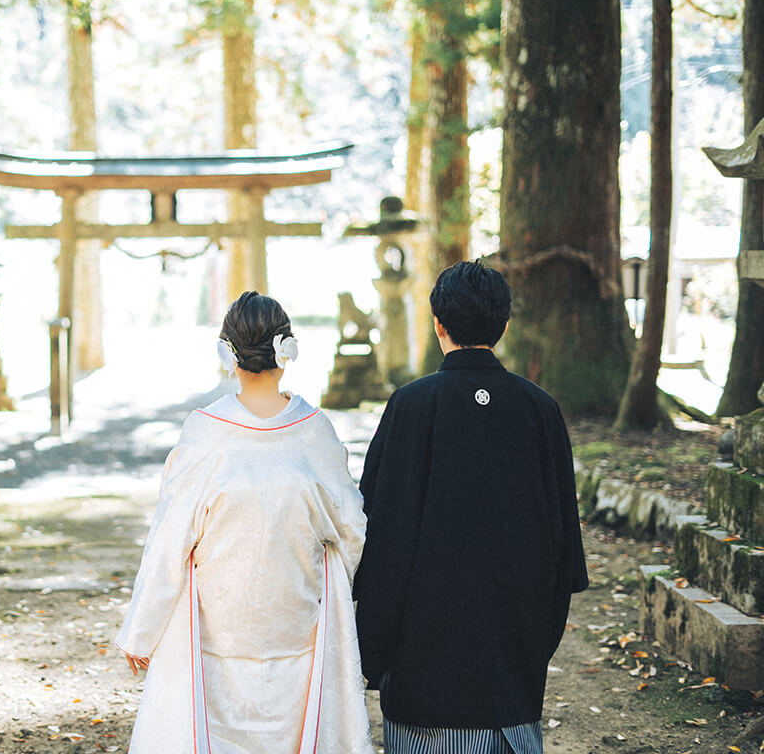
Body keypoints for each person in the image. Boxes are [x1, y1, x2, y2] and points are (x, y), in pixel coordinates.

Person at [115, 290, 373, 754]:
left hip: (218, 634)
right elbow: (352, 529)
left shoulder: (206, 431)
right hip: (299, 630)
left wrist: (143, 629)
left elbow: (171, 539)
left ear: (226, 353)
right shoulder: (314, 431)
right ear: (287, 351)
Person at [353, 259, 589, 754]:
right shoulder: (539, 408)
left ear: (439, 324)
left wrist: (371, 653)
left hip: (422, 662)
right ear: (503, 325)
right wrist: (534, 643)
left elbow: (382, 536)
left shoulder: (412, 405)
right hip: (512, 662)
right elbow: (564, 547)